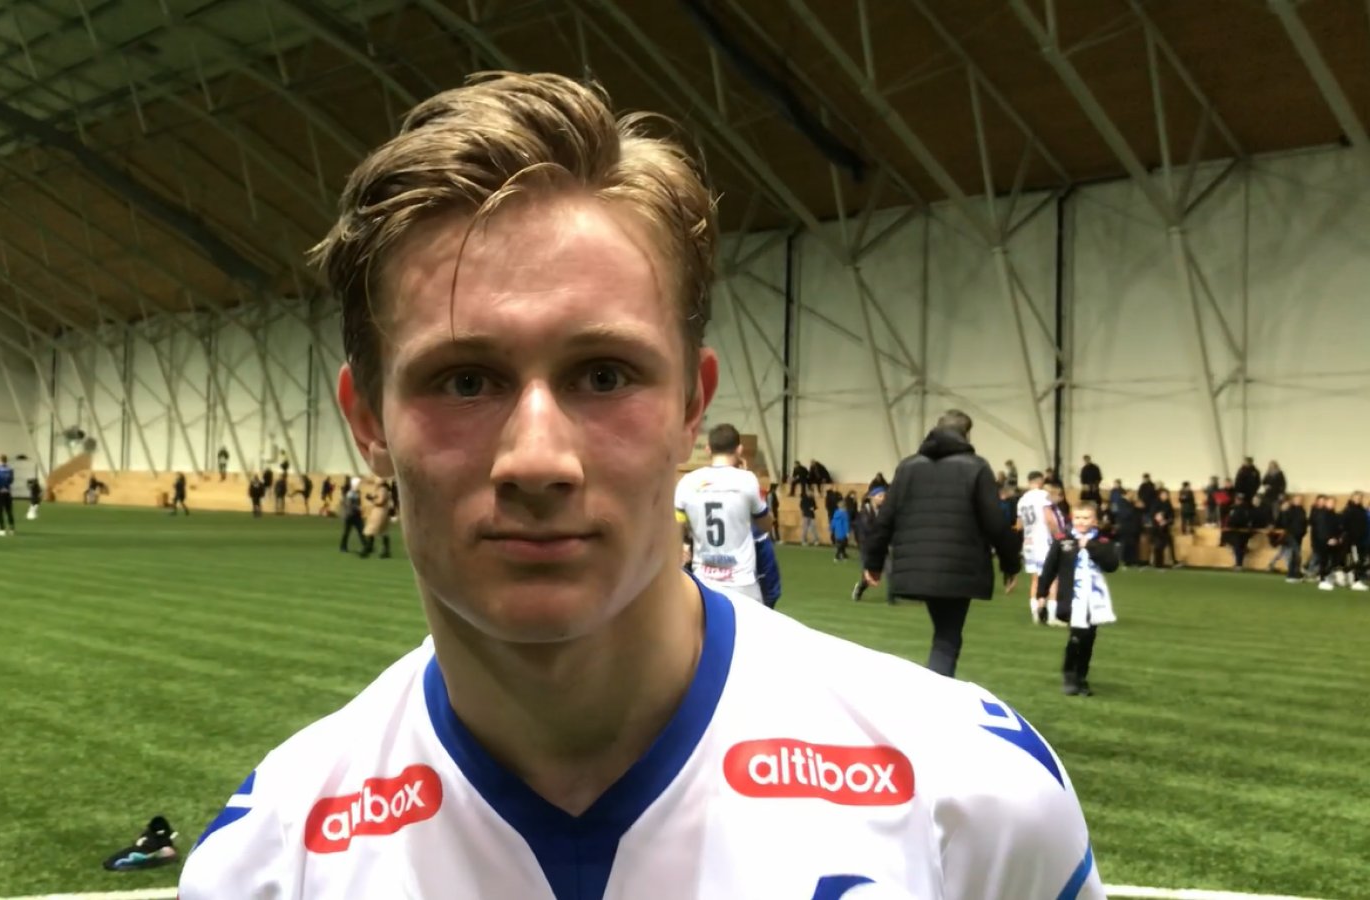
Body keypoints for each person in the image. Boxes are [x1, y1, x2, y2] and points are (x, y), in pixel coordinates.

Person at [179, 71, 1100, 900]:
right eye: (464, 381)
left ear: (692, 405)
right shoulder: (269, 863)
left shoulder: (969, 802)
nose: (537, 458)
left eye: (603, 375)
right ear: (369, 420)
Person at [862, 410, 1022, 677]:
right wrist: (1010, 564)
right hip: (959, 567)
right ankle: (934, 696)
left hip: (915, 564)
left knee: (944, 634)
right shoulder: (976, 467)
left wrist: (873, 562)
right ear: (966, 434)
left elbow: (885, 518)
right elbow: (995, 522)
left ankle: (933, 692)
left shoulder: (907, 467)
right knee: (947, 638)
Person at [674, 423, 773, 604]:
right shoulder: (747, 480)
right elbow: (766, 525)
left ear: (708, 449)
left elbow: (676, 527)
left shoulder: (687, 482)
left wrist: (683, 545)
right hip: (741, 581)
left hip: (703, 582)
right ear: (739, 450)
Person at [1037, 502, 1119, 697]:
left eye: (1086, 518)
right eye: (1078, 518)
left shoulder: (1101, 541)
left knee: (1088, 640)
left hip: (1094, 601)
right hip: (1072, 600)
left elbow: (1112, 565)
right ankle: (1069, 675)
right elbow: (1049, 568)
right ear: (1072, 519)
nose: (1081, 522)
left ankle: (1081, 677)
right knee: (1076, 637)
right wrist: (1042, 594)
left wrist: (1089, 546)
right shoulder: (1063, 540)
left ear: (1095, 521)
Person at [1016, 471, 1060, 624]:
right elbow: (1049, 518)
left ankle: (1035, 614)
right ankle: (1052, 616)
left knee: (1035, 578)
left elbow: (1019, 525)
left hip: (1028, 542)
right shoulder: (1043, 496)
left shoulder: (1022, 500)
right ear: (1041, 481)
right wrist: (1058, 535)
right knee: (1053, 577)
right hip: (1042, 541)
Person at [360, 476, 393, 558]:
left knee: (372, 529)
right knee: (383, 531)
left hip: (380, 512)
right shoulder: (380, 489)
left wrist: (372, 500)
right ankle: (385, 550)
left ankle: (369, 548)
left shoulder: (382, 489)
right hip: (381, 511)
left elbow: (381, 501)